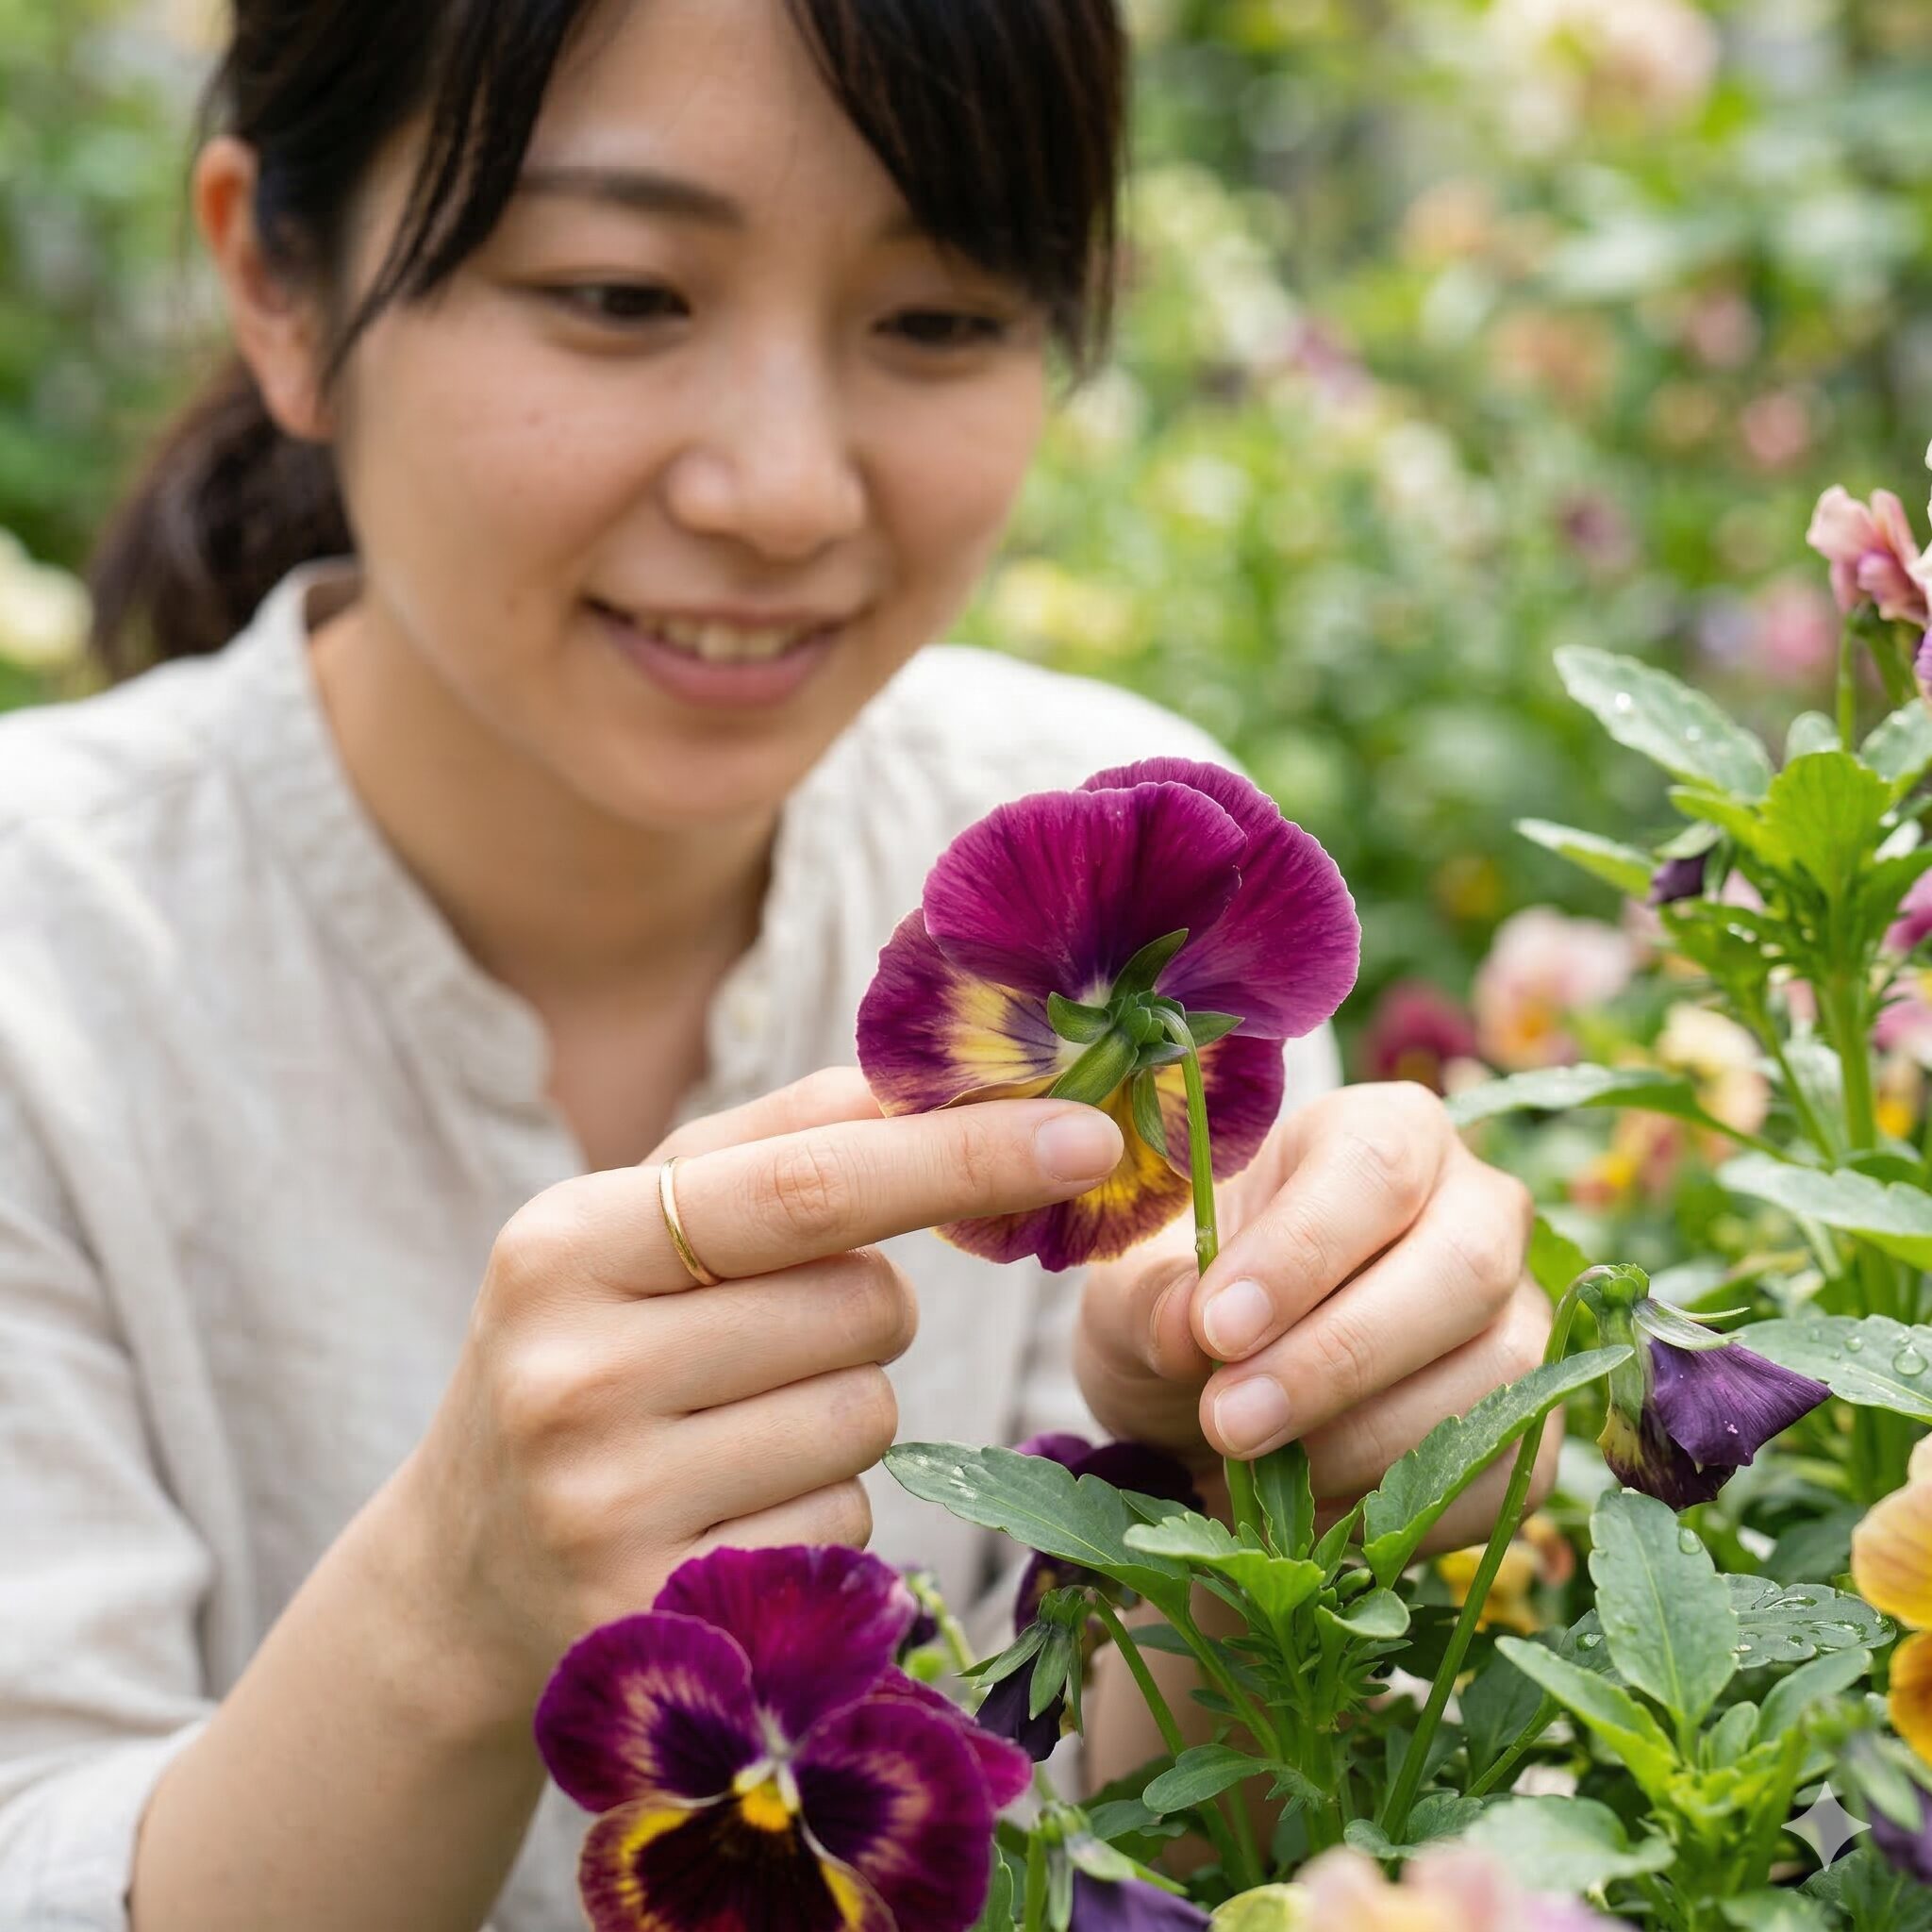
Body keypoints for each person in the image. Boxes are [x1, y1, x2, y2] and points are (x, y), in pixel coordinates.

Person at [0, 1, 1551, 1925]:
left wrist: (1271, 1499)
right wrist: (442, 1614)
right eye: (619, 292)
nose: (785, 490)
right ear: (278, 281)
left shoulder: (1122, 856)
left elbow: (1151, 1865)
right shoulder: (39, 970)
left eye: (938, 320)